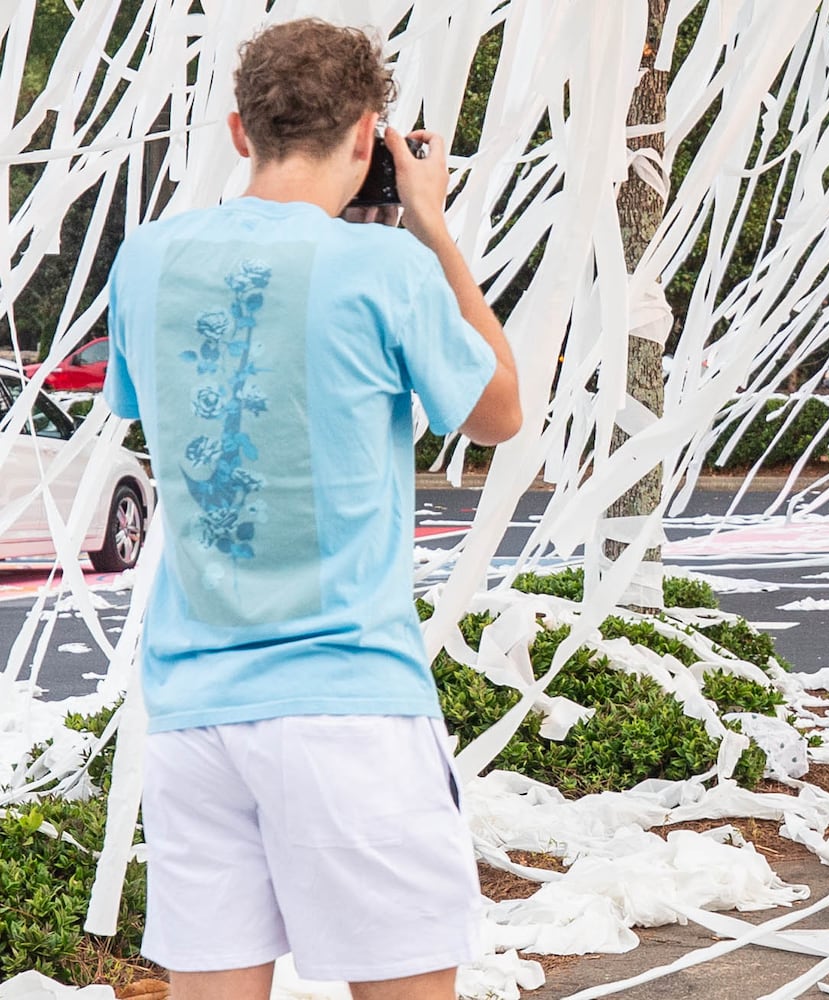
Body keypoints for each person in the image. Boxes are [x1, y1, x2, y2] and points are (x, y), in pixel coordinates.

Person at [103, 18, 521, 1000]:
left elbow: (141, 406)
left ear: (240, 132)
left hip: (194, 716)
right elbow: (499, 412)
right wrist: (433, 227)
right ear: (370, 134)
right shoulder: (386, 269)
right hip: (349, 710)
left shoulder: (144, 260)